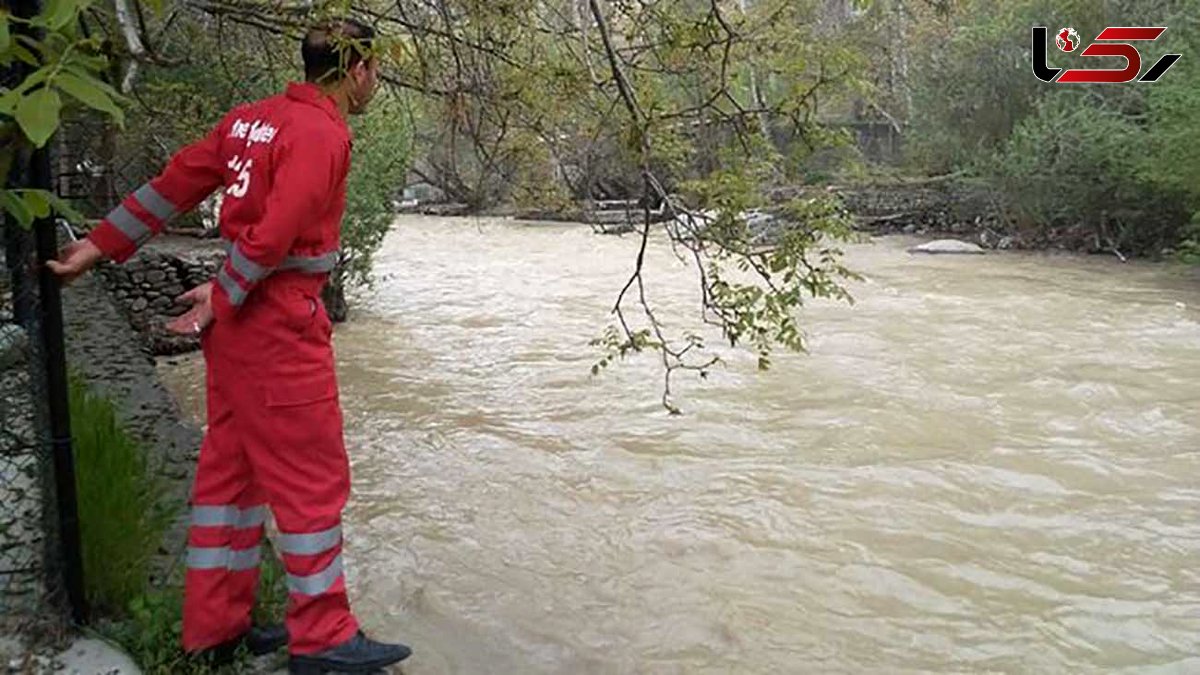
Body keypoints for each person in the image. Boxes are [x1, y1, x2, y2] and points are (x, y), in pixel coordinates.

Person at [48, 19, 411, 675]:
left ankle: (216, 627)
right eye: (375, 71)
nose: (374, 83)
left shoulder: (250, 121)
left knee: (231, 475)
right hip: (277, 321)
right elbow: (277, 231)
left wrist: (99, 243)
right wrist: (226, 290)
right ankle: (324, 636)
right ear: (359, 69)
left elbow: (175, 182)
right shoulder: (323, 133)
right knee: (310, 480)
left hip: (237, 332)